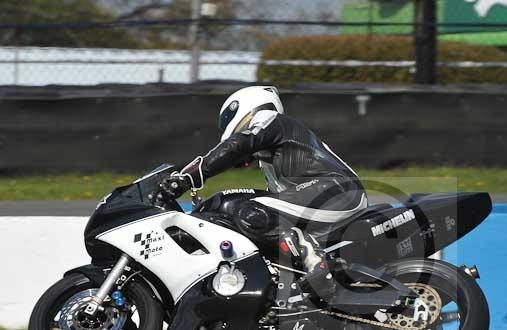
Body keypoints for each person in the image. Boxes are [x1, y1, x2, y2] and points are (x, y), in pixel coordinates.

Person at [157, 86, 367, 294]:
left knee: (251, 210)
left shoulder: (270, 118)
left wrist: (186, 178)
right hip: (327, 195)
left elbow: (239, 144)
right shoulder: (273, 155)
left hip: (336, 191)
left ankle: (314, 260)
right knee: (241, 209)